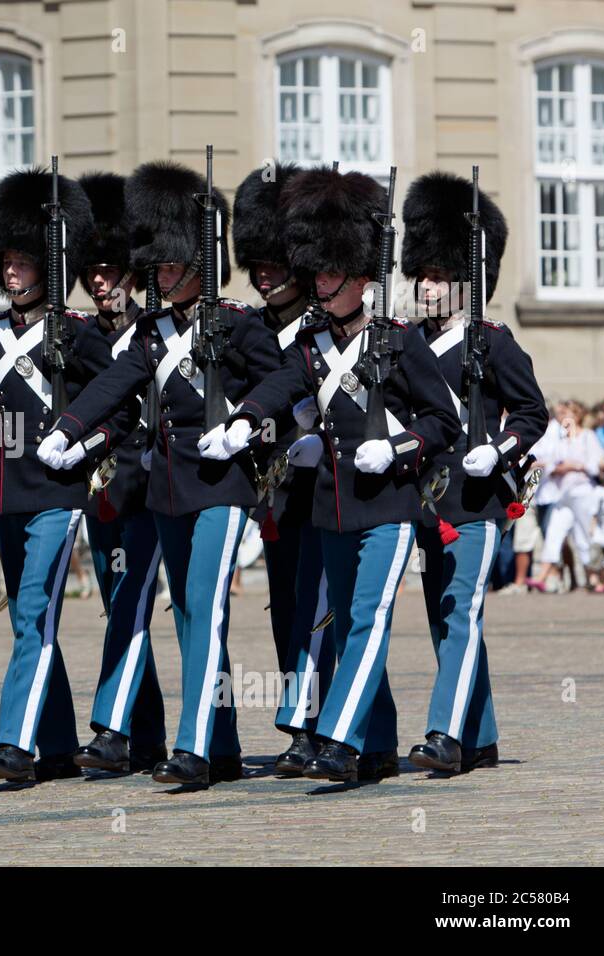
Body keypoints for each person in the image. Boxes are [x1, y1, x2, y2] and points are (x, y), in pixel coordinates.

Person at [201, 165, 461, 783]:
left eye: (329, 273)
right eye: (315, 273)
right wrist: (246, 420)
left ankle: (340, 741)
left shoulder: (398, 341)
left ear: (360, 276)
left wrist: (400, 449)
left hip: (391, 503)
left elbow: (442, 419)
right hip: (333, 507)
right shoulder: (314, 340)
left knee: (369, 621)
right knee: (345, 627)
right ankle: (376, 746)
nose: (318, 284)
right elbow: (283, 382)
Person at [39, 159, 281, 790]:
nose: (161, 274)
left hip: (224, 486)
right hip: (169, 490)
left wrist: (248, 418)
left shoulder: (237, 321)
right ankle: (223, 743)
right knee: (192, 621)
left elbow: (285, 378)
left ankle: (194, 747)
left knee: (204, 607)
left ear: (197, 261)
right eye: (158, 266)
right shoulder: (153, 331)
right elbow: (116, 385)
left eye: (171, 264)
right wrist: (67, 427)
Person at [0, 165, 135, 784]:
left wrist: (85, 446)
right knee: (26, 619)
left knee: (34, 610)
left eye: (25, 261)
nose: (12, 271)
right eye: (5, 260)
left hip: (59, 493)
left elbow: (123, 405)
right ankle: (58, 743)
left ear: (48, 264)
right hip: (8, 493)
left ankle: (16, 744)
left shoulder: (80, 333)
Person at [400, 169, 549, 774]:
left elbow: (534, 412)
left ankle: (445, 735)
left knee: (460, 610)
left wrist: (504, 447)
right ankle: (480, 734)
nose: (428, 287)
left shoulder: (493, 340)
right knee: (445, 615)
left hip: (479, 497)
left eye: (440, 277)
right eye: (424, 276)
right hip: (427, 499)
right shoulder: (406, 341)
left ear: (466, 282)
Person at [231, 161, 336, 775]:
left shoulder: (325, 328)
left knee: (320, 609)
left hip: (326, 486)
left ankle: (313, 725)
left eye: (276, 263)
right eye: (259, 264)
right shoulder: (250, 328)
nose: (266, 275)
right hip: (276, 489)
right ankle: (306, 722)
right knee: (286, 607)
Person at [64, 171, 167, 775]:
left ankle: (109, 726)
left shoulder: (158, 334)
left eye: (112, 272)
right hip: (103, 493)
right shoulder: (78, 340)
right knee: (120, 608)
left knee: (133, 606)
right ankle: (144, 736)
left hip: (154, 486)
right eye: (93, 273)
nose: (101, 283)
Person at [530, 400, 603, 593]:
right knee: (554, 531)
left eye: (566, 413)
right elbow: (551, 466)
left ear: (577, 415)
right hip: (563, 494)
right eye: (560, 414)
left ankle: (593, 577)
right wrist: (566, 466)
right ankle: (542, 577)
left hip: (583, 492)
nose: (562, 418)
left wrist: (574, 466)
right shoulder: (561, 442)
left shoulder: (587, 437)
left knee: (583, 535)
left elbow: (595, 465)